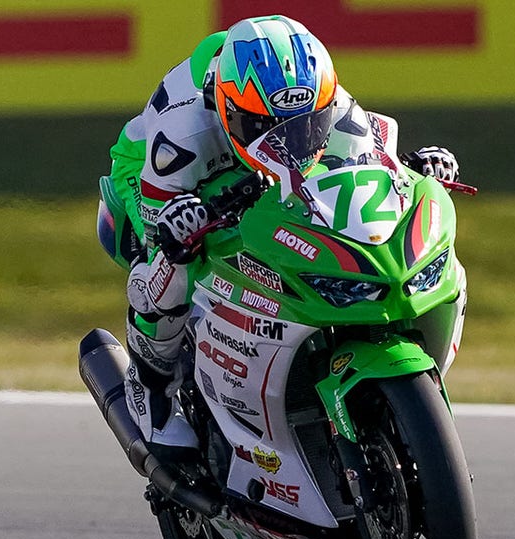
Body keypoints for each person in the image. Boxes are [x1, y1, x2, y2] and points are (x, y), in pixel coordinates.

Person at [95, 15, 461, 457]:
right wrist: (177, 223)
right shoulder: (182, 137)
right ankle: (149, 388)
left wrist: (414, 168)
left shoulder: (334, 104)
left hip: (250, 168)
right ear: (230, 109)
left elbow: (376, 169)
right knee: (170, 269)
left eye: (304, 126)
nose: (290, 142)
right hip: (157, 175)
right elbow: (159, 225)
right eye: (266, 128)